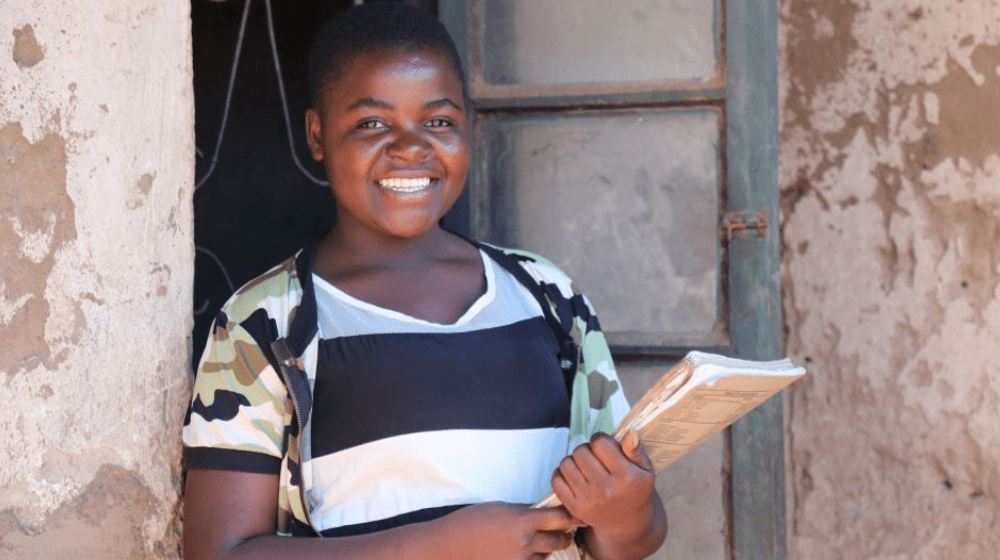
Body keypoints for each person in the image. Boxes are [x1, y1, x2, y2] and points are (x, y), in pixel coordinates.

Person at [182, 4, 666, 560]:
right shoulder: (267, 324)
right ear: (317, 134)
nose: (411, 147)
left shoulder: (545, 296)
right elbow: (219, 553)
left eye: (438, 121)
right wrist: (440, 545)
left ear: (468, 125)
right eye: (372, 123)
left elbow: (631, 537)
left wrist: (627, 510)